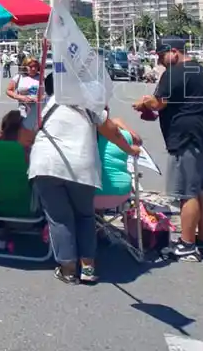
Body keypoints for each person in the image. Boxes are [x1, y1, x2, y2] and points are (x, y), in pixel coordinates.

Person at [32, 73, 140, 284]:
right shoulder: (89, 104)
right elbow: (112, 132)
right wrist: (131, 149)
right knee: (84, 216)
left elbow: (25, 135)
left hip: (46, 165)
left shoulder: (42, 106)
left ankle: (68, 269)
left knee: (59, 217)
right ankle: (88, 268)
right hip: (81, 166)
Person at [133, 37, 203, 261]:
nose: (160, 60)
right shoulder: (200, 71)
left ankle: (186, 245)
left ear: (174, 52)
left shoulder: (174, 73)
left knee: (187, 193)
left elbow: (157, 103)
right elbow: (171, 102)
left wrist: (144, 103)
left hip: (187, 139)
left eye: (162, 55)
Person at [6, 58, 42, 131]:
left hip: (38, 112)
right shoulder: (19, 77)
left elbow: (48, 93)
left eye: (35, 66)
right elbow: (8, 90)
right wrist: (20, 97)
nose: (33, 68)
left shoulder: (42, 78)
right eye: (30, 66)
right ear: (25, 66)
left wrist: (40, 98)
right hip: (23, 112)